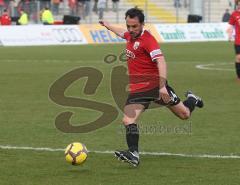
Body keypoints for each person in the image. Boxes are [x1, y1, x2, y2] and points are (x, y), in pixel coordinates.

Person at [99, 7, 204, 167]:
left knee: (184, 115)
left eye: (134, 26)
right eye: (129, 26)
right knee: (128, 120)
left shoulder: (148, 40)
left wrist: (162, 87)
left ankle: (192, 99)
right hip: (139, 89)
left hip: (156, 87)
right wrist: (107, 25)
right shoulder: (130, 35)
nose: (131, 29)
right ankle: (133, 154)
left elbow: (161, 61)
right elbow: (122, 32)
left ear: (142, 24)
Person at [228, 1, 240, 80]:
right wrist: (229, 35)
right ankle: (239, 76)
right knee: (238, 57)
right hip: (238, 40)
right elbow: (231, 26)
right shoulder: (234, 14)